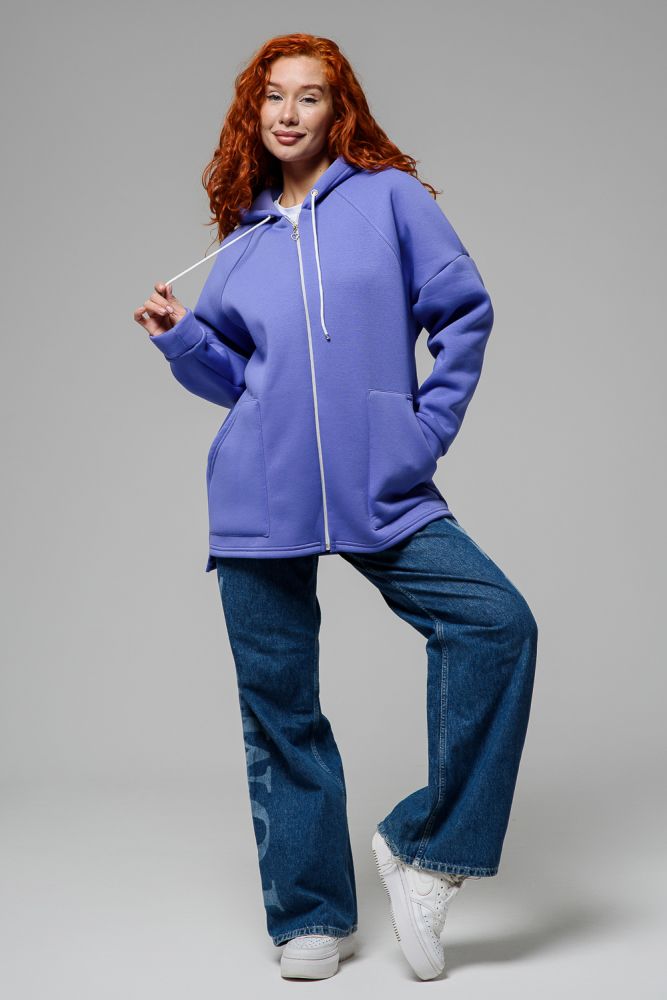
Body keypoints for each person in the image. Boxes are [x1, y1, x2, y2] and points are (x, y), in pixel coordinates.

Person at [134, 33, 538, 982]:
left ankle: (426, 850)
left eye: (308, 96)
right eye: (272, 96)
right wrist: (182, 337)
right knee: (280, 708)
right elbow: (236, 379)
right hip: (259, 492)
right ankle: (310, 914)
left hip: (378, 484)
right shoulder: (241, 239)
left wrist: (418, 434)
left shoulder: (388, 200)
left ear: (337, 109)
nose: (288, 113)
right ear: (253, 112)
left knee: (495, 625)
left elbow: (464, 312)